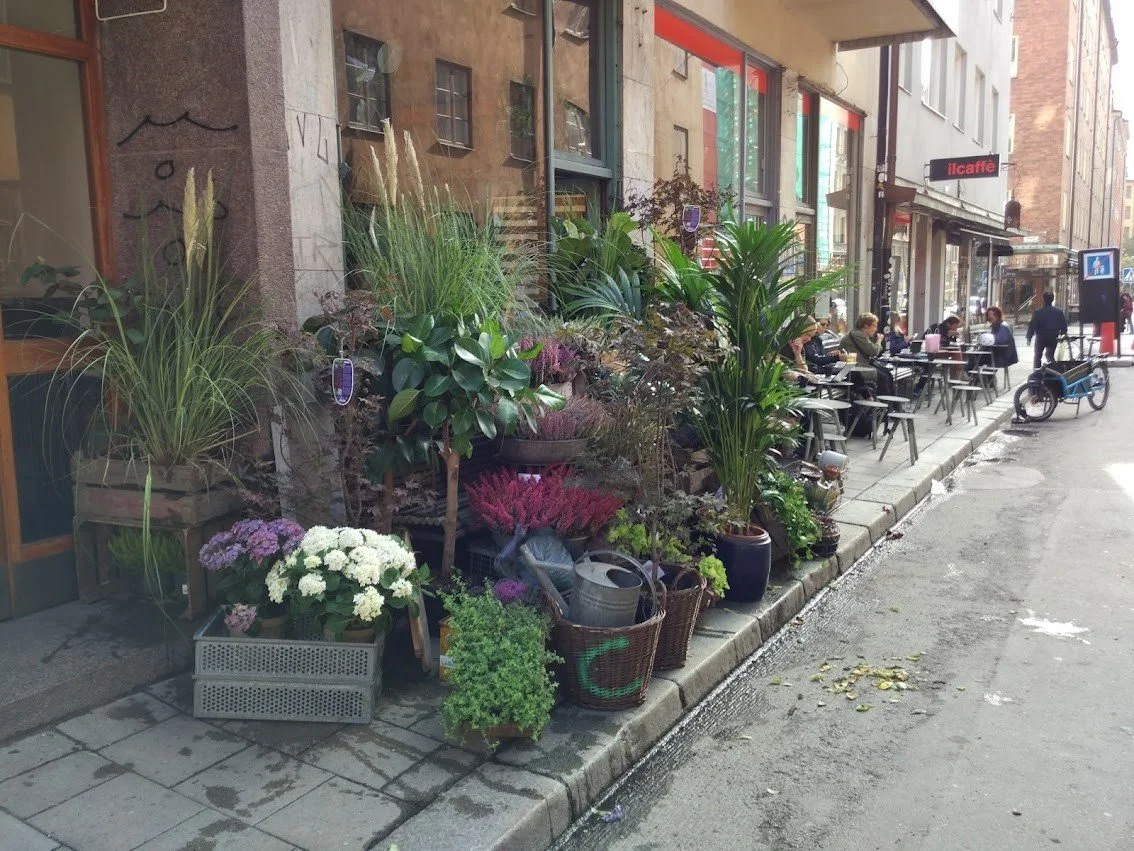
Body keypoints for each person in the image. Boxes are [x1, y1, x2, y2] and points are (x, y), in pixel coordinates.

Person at [1026, 291, 1068, 369]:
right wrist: (1063, 334)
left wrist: (1029, 337)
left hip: (1041, 337)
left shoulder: (1038, 312)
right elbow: (1064, 326)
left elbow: (1032, 325)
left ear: (1043, 299)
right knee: (1050, 355)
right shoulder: (1059, 312)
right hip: (1053, 336)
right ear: (1053, 299)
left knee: (1038, 356)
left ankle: (1037, 371)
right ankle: (1052, 370)